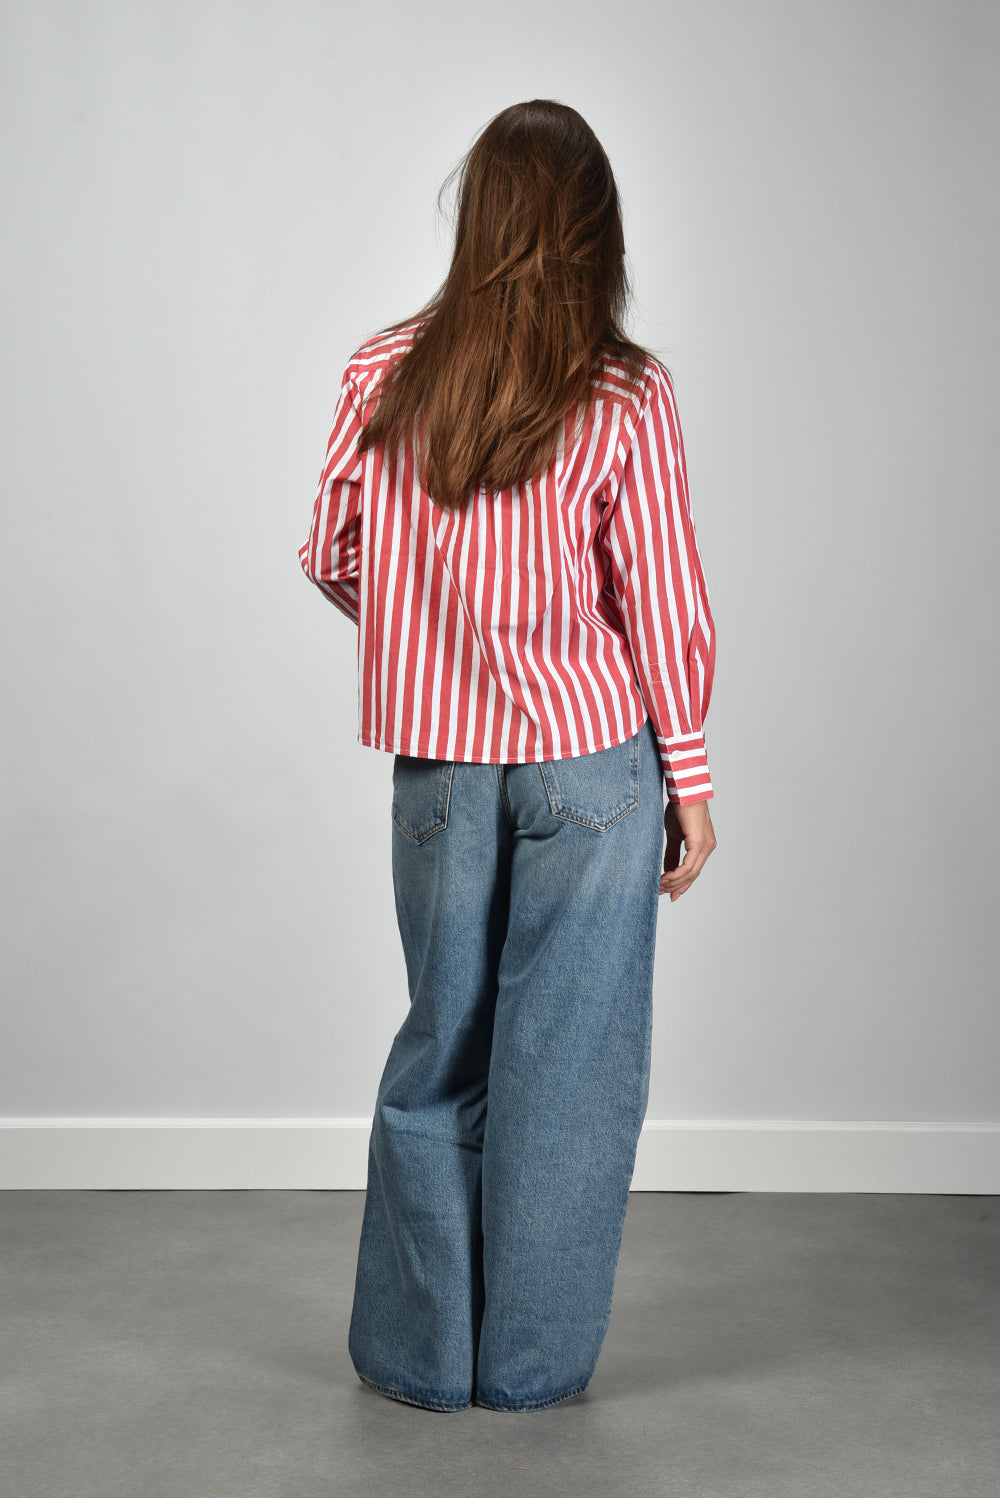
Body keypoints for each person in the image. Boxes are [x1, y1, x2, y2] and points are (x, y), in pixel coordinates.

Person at [298, 98, 718, 1414]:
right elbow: (660, 599)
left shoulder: (384, 371)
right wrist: (692, 779)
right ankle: (529, 1371)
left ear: (474, 215)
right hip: (591, 763)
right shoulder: (625, 391)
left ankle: (422, 1360)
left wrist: (423, 630)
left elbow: (330, 552)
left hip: (438, 768)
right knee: (567, 1071)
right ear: (596, 230)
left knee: (443, 1044)